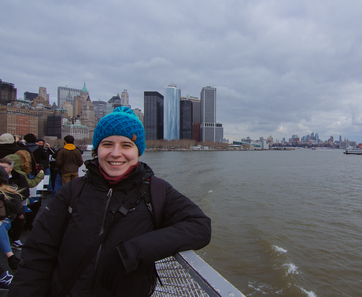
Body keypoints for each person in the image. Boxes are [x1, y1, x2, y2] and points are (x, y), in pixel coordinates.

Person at [8, 107, 212, 297]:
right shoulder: (73, 191)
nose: (116, 153)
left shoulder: (157, 191)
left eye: (126, 145)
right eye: (107, 144)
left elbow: (199, 226)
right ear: (97, 149)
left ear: (138, 151)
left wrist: (132, 251)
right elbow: (38, 254)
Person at [0, 157, 29, 250]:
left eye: (4, 167)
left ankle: (15, 239)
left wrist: (4, 199)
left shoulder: (18, 178)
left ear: (11, 168)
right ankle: (9, 255)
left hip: (10, 209)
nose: (2, 169)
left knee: (21, 215)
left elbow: (24, 193)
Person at [0, 166, 22, 274]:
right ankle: (11, 257)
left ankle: (10, 258)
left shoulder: (9, 191)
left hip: (6, 220)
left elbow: (16, 208)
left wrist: (4, 200)